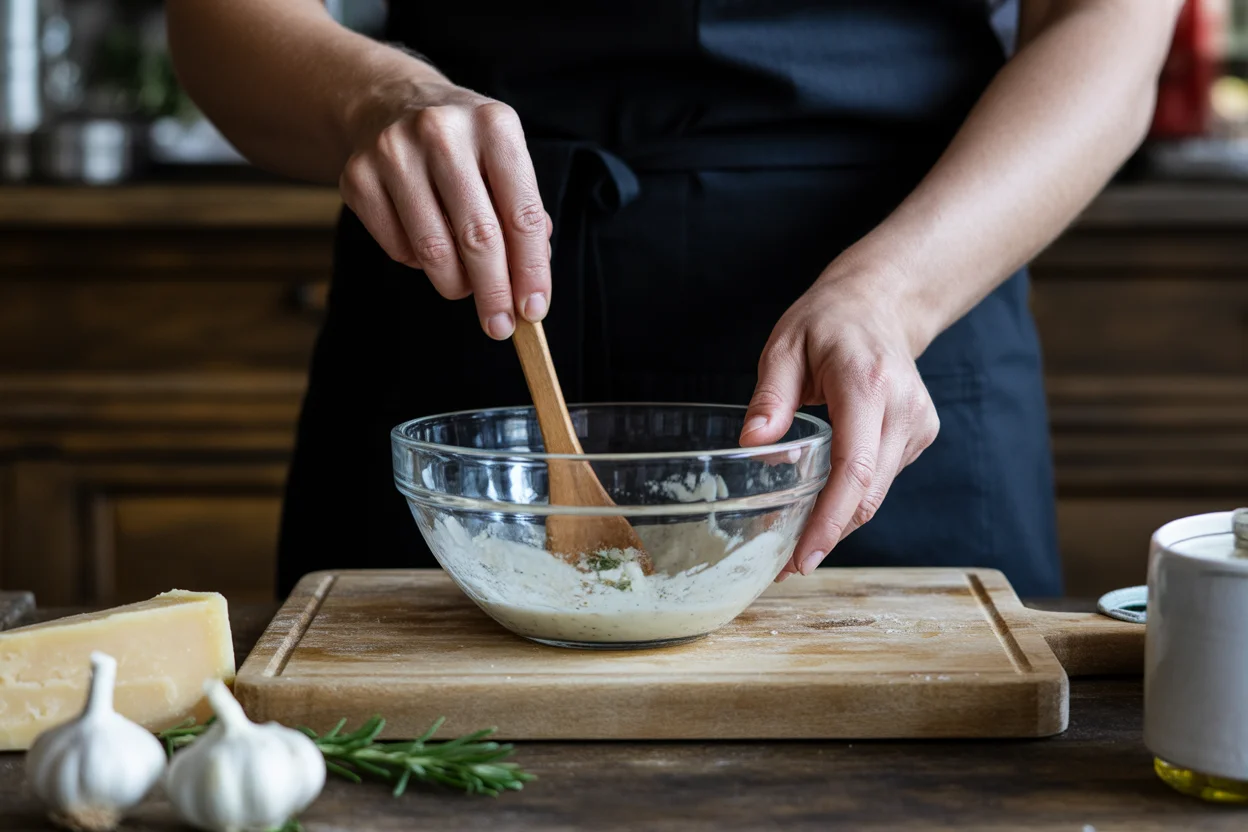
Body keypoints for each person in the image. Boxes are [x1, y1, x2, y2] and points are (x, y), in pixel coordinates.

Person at [167, 0, 1182, 599]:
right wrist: (374, 98)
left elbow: (1109, 25)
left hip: (900, 327)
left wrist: (893, 293)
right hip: (464, 301)